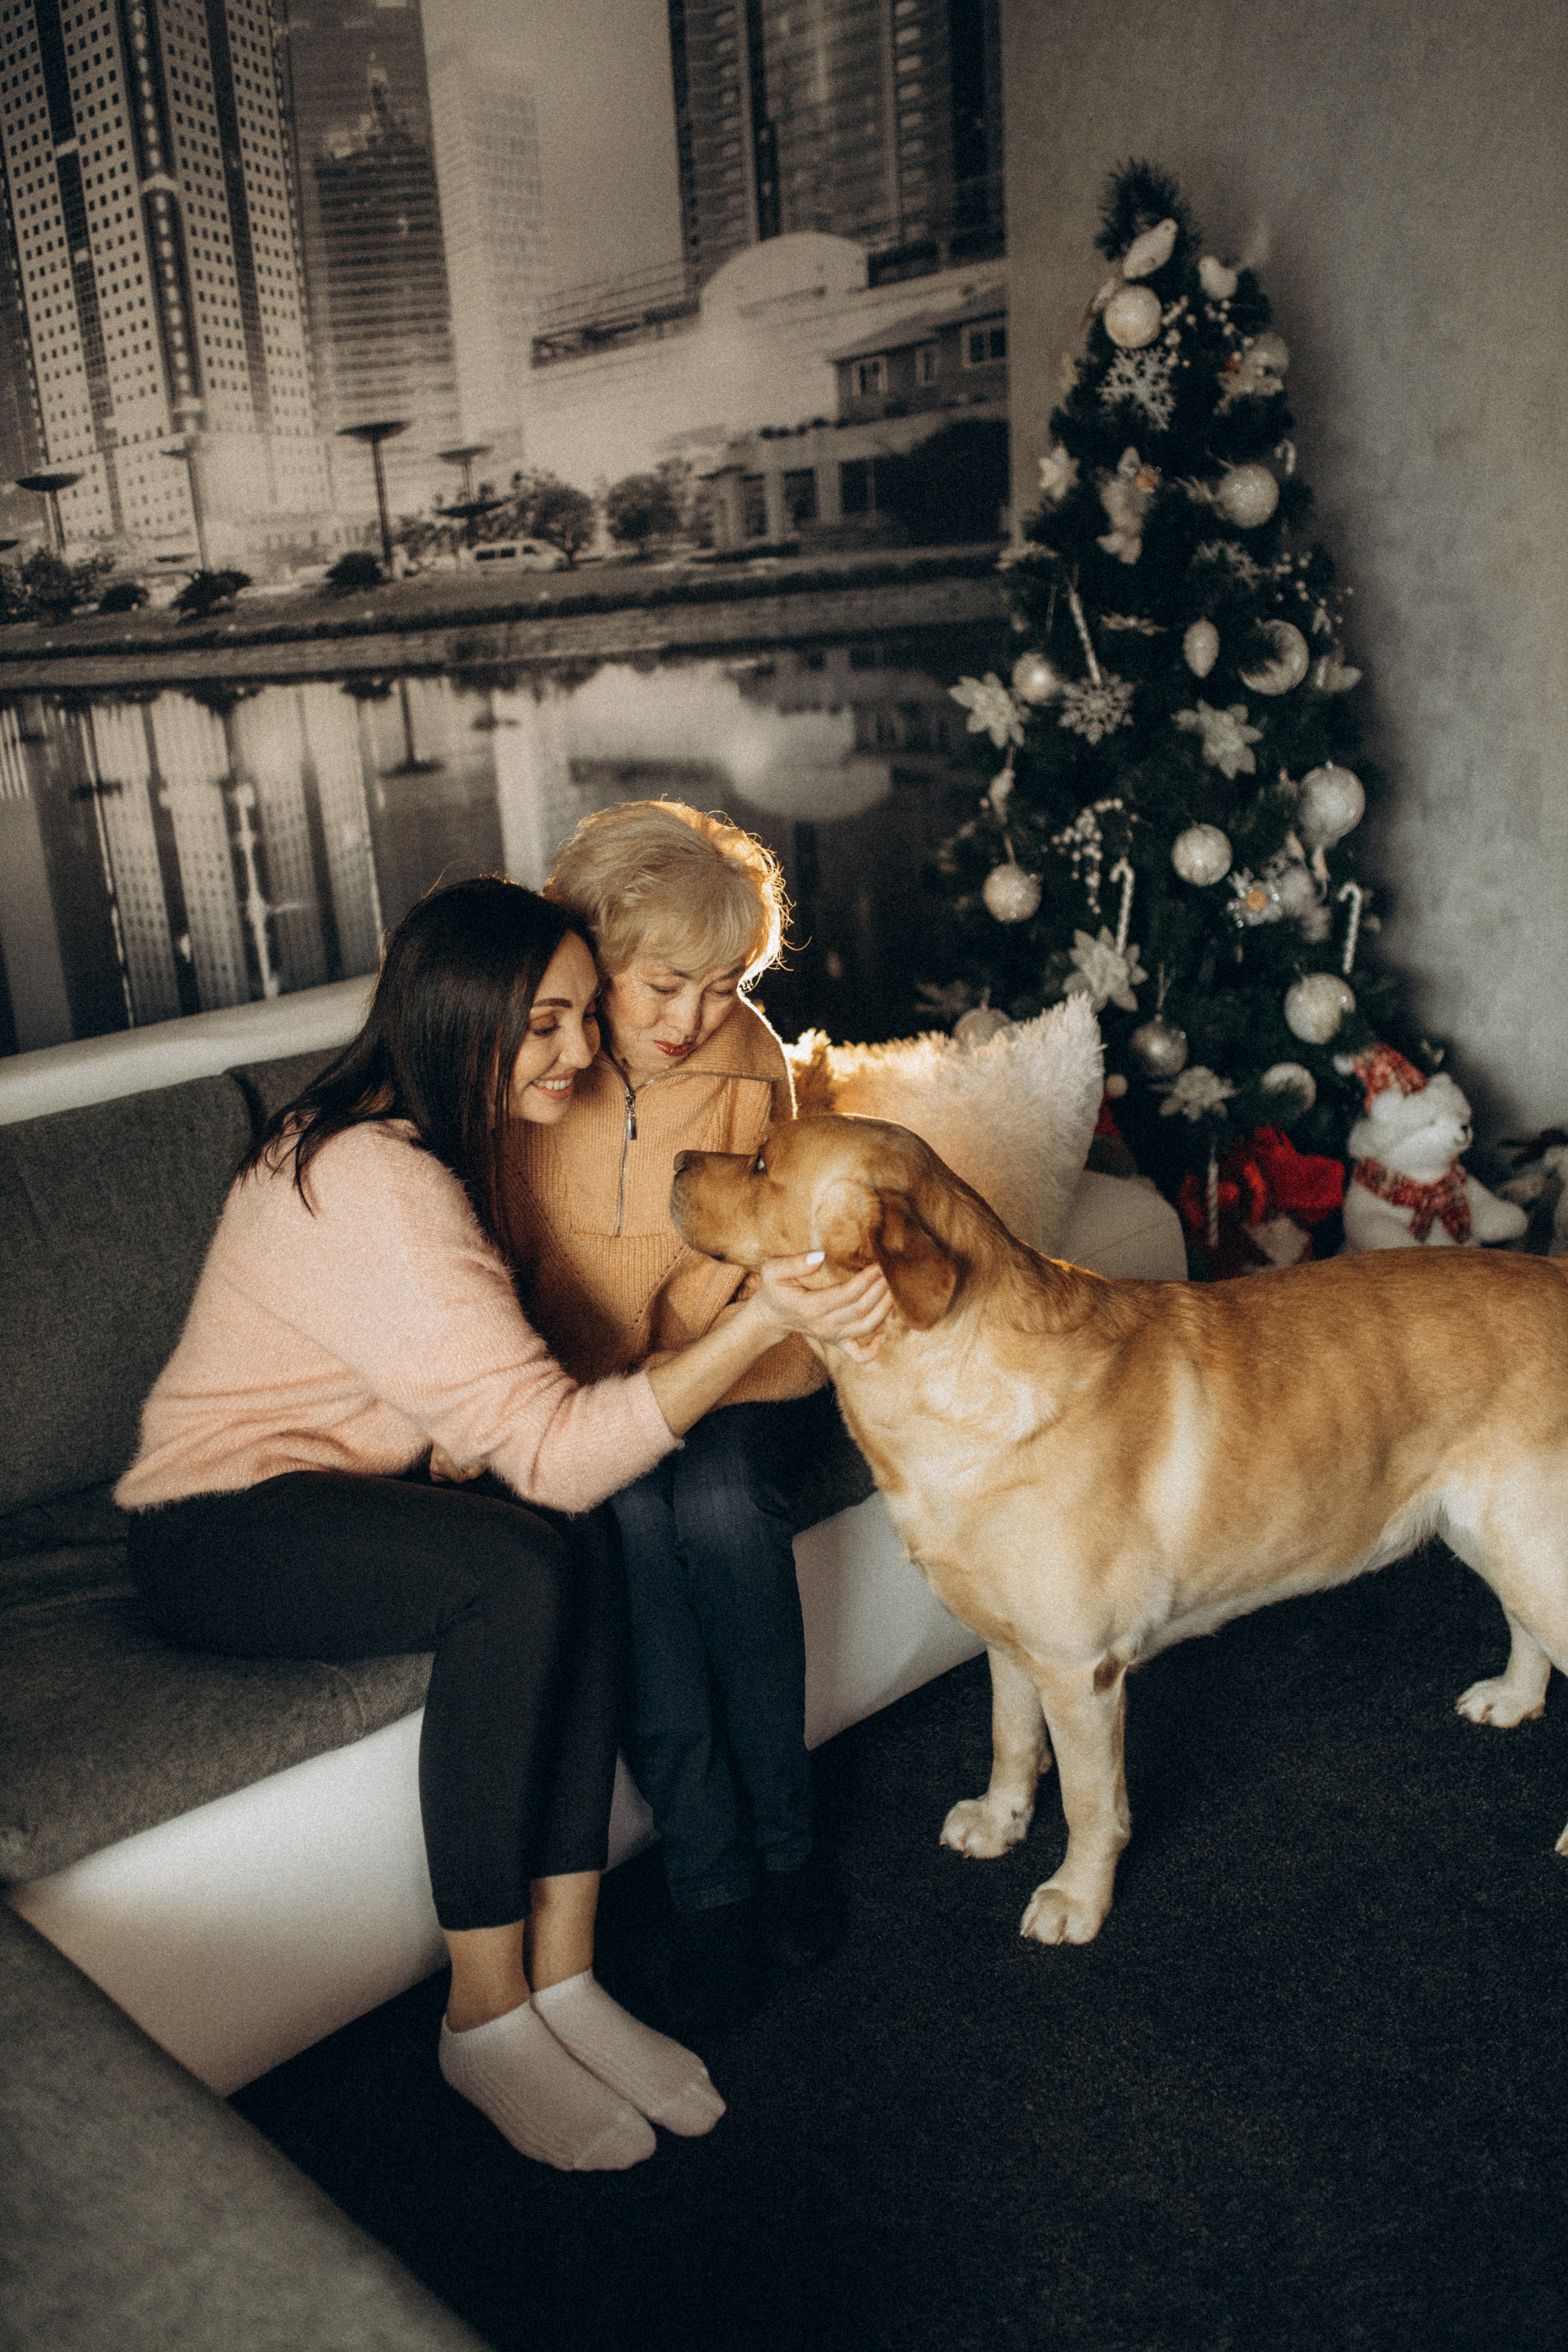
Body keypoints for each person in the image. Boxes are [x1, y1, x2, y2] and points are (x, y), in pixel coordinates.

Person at [114, 877, 889, 2173]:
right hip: (216, 1522)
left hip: (360, 1480)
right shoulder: (373, 1180)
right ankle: (482, 2018)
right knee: (515, 1570)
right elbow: (547, 1446)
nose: (582, 1053)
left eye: (585, 1017)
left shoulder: (431, 1135)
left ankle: (568, 1981)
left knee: (567, 1541)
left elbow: (482, 1414)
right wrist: (764, 1317)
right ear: (460, 1014)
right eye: (546, 1023)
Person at [504, 802, 846, 2024]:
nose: (691, 1020)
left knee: (717, 1511)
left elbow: (775, 1230)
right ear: (586, 953)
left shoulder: (745, 1054)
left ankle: (787, 1847)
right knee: (635, 1537)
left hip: (736, 1369)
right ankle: (710, 1884)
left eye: (721, 985)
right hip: (588, 1392)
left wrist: (723, 1354)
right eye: (662, 986)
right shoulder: (528, 1060)